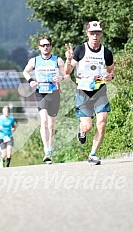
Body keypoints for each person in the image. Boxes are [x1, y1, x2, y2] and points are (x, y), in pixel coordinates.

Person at [65, 21, 114, 165]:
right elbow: (67, 71)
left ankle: (93, 154)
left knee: (102, 122)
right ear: (87, 34)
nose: (95, 36)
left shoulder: (106, 52)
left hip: (100, 91)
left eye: (97, 33)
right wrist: (68, 60)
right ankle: (82, 130)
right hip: (83, 93)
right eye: (92, 33)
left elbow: (112, 72)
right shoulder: (80, 50)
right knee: (87, 126)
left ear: (101, 34)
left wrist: (109, 77)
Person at [23, 35, 65, 164]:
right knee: (44, 120)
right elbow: (25, 72)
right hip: (40, 92)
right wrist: (31, 81)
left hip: (53, 92)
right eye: (43, 45)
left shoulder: (57, 60)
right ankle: (46, 149)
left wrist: (61, 78)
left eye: (47, 45)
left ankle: (50, 147)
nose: (45, 47)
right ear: (39, 47)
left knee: (51, 124)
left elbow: (67, 74)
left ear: (51, 46)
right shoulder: (34, 60)